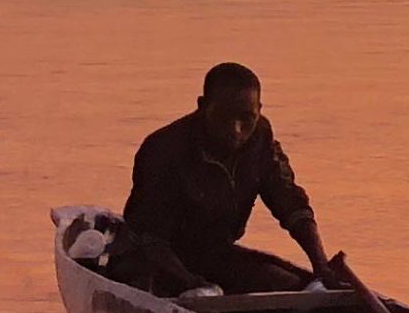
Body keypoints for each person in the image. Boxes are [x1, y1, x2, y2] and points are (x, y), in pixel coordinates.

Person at [107, 63, 343, 296]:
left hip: (214, 254)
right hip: (153, 259)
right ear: (202, 107)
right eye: (223, 117)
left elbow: (290, 202)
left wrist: (321, 265)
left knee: (290, 283)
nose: (236, 131)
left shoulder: (260, 138)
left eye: (246, 119)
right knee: (198, 294)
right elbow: (150, 237)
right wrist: (193, 284)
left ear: (259, 110)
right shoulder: (164, 149)